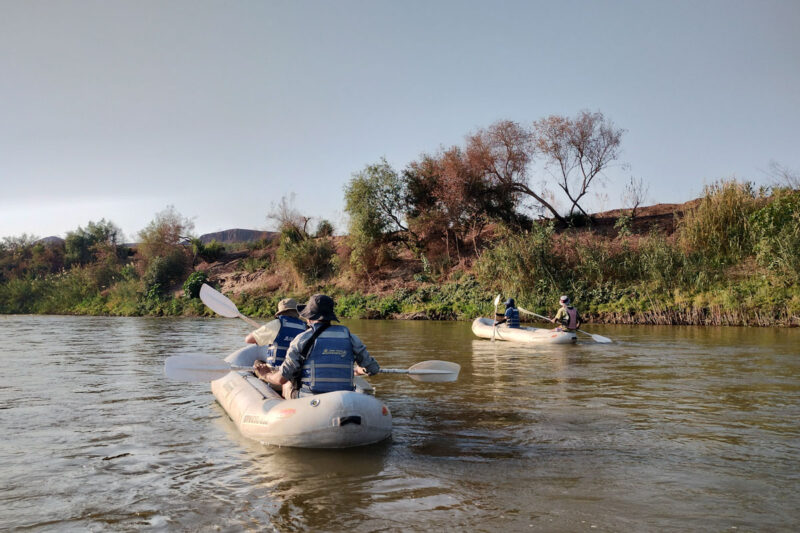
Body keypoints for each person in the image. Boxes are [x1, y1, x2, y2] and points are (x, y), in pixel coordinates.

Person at [264, 294, 381, 399]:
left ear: (309, 318)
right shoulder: (350, 337)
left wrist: (266, 375)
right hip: (344, 398)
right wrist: (358, 370)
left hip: (311, 400)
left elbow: (281, 378)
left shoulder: (301, 339)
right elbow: (373, 369)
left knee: (287, 384)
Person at [247, 298, 308, 380]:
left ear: (280, 312)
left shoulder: (277, 323)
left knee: (257, 363)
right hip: (296, 377)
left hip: (275, 376)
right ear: (297, 312)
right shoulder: (305, 326)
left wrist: (260, 332)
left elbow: (249, 340)